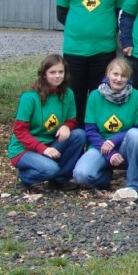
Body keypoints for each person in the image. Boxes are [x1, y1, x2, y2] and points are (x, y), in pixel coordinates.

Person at [55, 0, 127, 124]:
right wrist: (82, 28)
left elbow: (120, 15)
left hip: (103, 51)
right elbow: (62, 14)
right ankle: (76, 140)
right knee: (75, 98)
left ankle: (98, 143)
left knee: (101, 98)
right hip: (75, 50)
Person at [8, 54, 87, 189]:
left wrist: (67, 126)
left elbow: (71, 119)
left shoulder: (68, 94)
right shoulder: (29, 98)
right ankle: (25, 177)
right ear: (44, 74)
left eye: (61, 72)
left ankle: (59, 180)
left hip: (51, 144)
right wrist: (42, 149)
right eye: (52, 72)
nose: (57, 76)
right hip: (25, 148)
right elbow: (19, 131)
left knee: (79, 135)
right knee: (50, 169)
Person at [72, 57, 138, 192]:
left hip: (126, 145)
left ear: (128, 77)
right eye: (115, 74)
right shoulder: (95, 96)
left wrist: (114, 140)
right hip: (100, 146)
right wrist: (110, 153)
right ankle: (105, 176)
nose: (118, 79)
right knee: (80, 175)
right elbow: (90, 130)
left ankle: (134, 184)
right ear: (107, 74)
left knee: (136, 134)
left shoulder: (137, 96)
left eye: (123, 76)